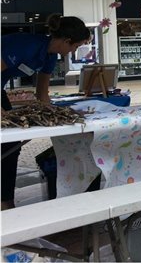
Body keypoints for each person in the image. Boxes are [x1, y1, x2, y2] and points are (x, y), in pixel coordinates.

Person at [1, 14, 91, 210]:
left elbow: (42, 95)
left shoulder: (49, 56)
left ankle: (5, 200)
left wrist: (59, 116)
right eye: (75, 47)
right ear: (67, 41)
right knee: (6, 142)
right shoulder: (26, 44)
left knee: (11, 145)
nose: (74, 51)